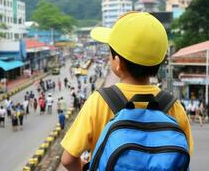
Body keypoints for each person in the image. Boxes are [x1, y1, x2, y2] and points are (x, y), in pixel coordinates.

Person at [60, 12, 193, 170]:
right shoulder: (174, 106)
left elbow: (68, 160)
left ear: (117, 63)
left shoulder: (99, 102)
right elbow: (183, 157)